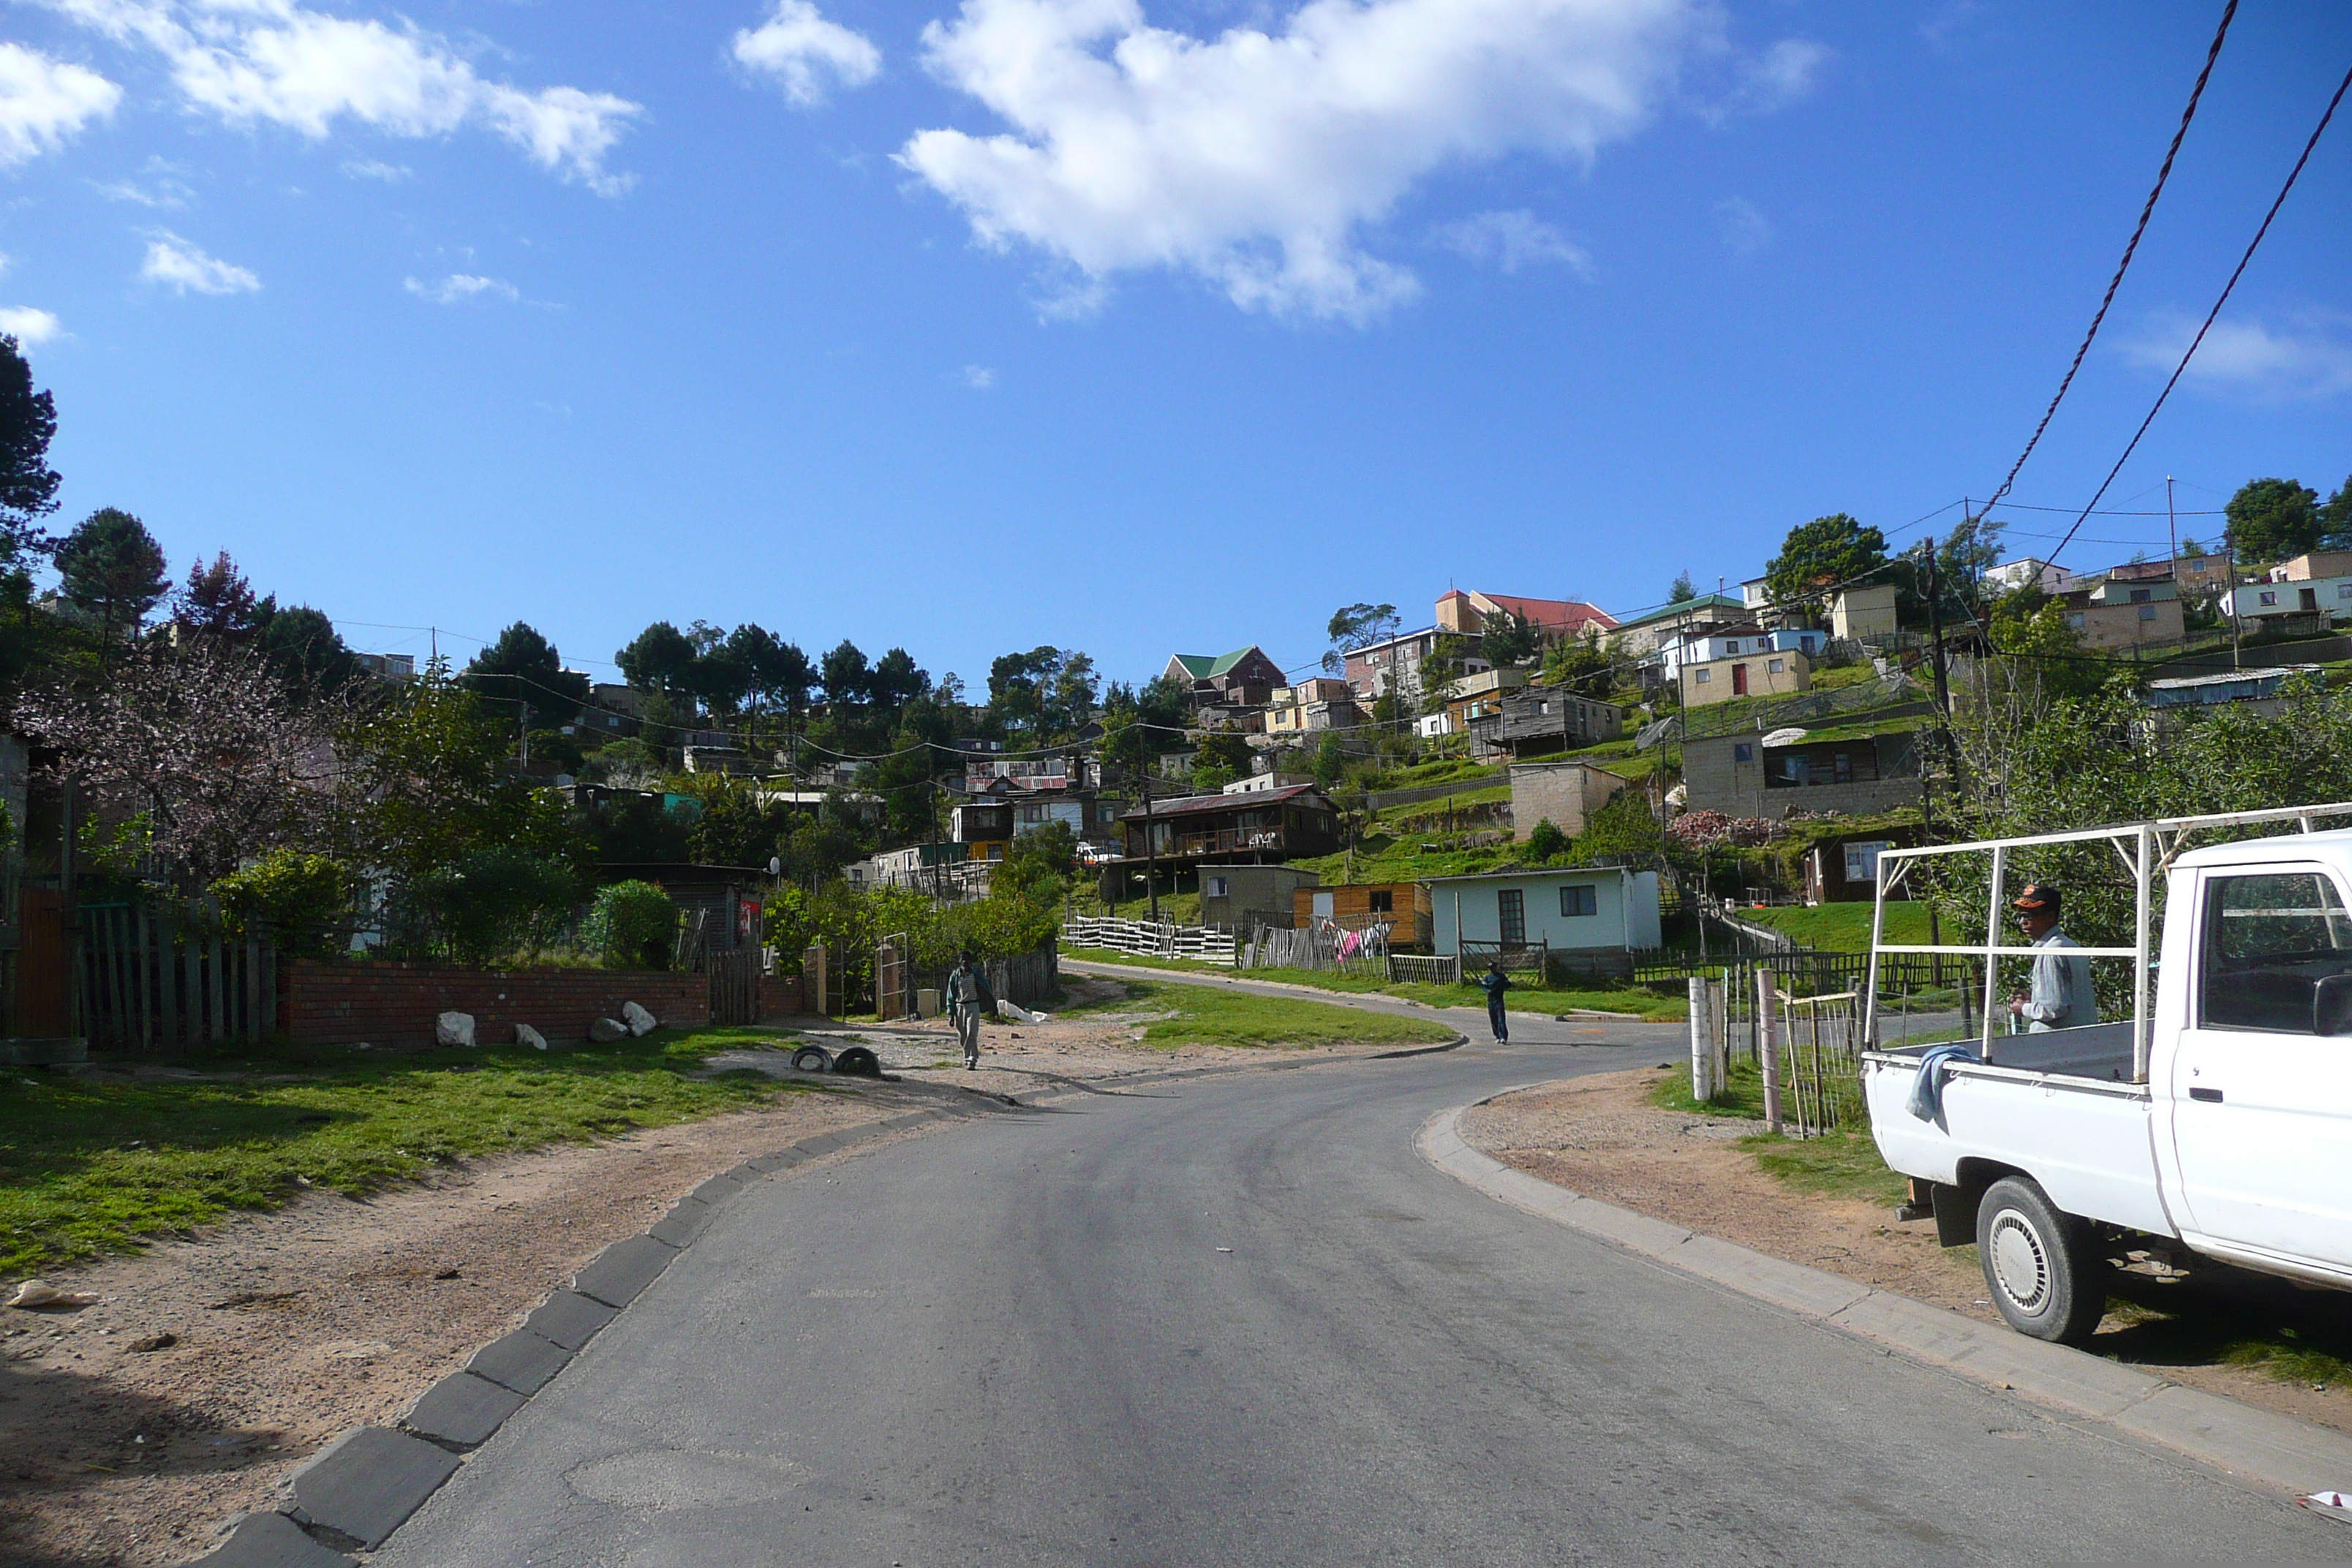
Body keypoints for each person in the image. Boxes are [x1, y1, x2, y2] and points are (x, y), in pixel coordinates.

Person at [2006, 882, 2096, 1032]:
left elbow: (2055, 1009)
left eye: (2029, 915)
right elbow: (2068, 999)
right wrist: (2034, 1000)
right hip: (2081, 1036)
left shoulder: (2050, 953)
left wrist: (2024, 1008)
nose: (2023, 921)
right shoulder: (2070, 945)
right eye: (2021, 915)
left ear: (2049, 916)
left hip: (2054, 1042)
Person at [946, 950, 995, 1069]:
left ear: (970, 961)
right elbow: (951, 995)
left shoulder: (976, 974)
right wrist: (951, 1014)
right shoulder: (955, 976)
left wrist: (992, 1008)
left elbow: (985, 989)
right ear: (959, 961)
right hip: (960, 1007)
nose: (965, 961)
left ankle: (972, 1059)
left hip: (973, 1005)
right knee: (963, 1034)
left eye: (967, 959)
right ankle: (967, 1055)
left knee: (972, 1032)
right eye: (962, 959)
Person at [1477, 960, 1510, 1044]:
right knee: (1493, 1019)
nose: (1492, 969)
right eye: (1491, 968)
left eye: (1493, 967)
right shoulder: (1487, 978)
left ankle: (1503, 1037)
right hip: (1490, 1000)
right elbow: (1484, 986)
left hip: (1499, 999)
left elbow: (1508, 984)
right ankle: (1497, 1036)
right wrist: (1488, 991)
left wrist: (1504, 984)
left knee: (1501, 1019)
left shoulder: (1501, 977)